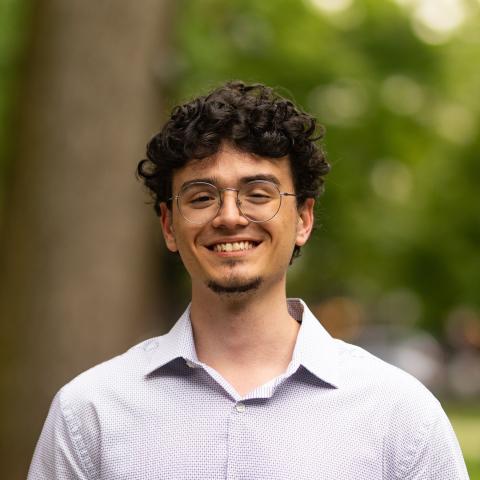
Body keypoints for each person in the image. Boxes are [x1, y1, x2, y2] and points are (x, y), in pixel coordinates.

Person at [28, 81, 469, 479]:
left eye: (259, 194)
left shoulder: (400, 416)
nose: (230, 216)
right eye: (201, 197)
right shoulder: (89, 413)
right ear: (168, 225)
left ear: (303, 219)